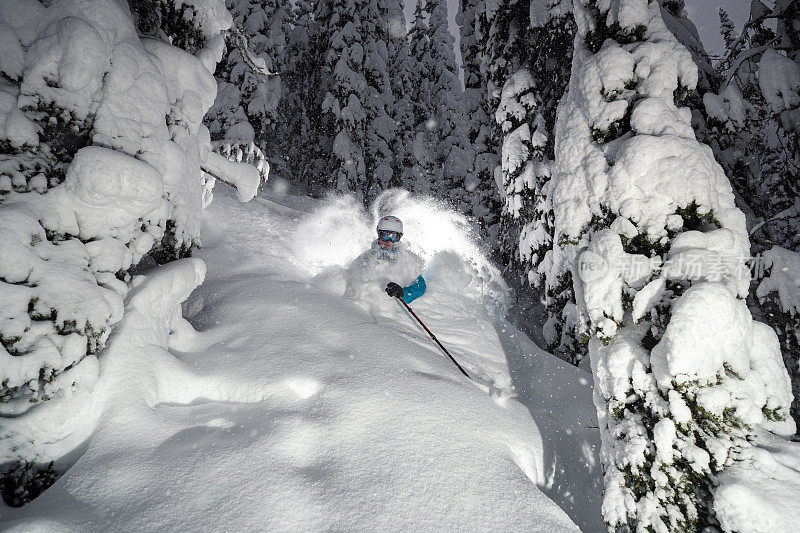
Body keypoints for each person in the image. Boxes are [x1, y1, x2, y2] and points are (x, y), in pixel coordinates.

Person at [369, 215, 427, 303]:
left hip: (393, 312)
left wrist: (403, 293)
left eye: (394, 237)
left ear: (399, 238)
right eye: (385, 236)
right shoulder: (367, 258)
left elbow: (420, 286)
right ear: (378, 234)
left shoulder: (406, 258)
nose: (389, 241)